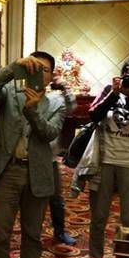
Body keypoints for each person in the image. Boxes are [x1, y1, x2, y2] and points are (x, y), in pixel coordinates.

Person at [0, 52, 66, 258]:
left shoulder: (56, 103)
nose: (39, 73)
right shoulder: (9, 92)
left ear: (51, 76)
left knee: (32, 235)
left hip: (38, 174)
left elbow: (50, 133)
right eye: (34, 67)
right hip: (7, 171)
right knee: (0, 233)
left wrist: (32, 111)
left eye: (45, 70)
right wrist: (13, 67)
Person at [77, 57, 129, 258]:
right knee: (98, 215)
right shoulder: (109, 91)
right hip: (104, 161)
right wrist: (114, 93)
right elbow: (93, 114)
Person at [48, 76, 77, 246]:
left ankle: (59, 232)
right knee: (18, 198)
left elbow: (71, 107)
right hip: (26, 157)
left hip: (50, 157)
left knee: (56, 199)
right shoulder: (24, 95)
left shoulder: (56, 98)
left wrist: (65, 87)